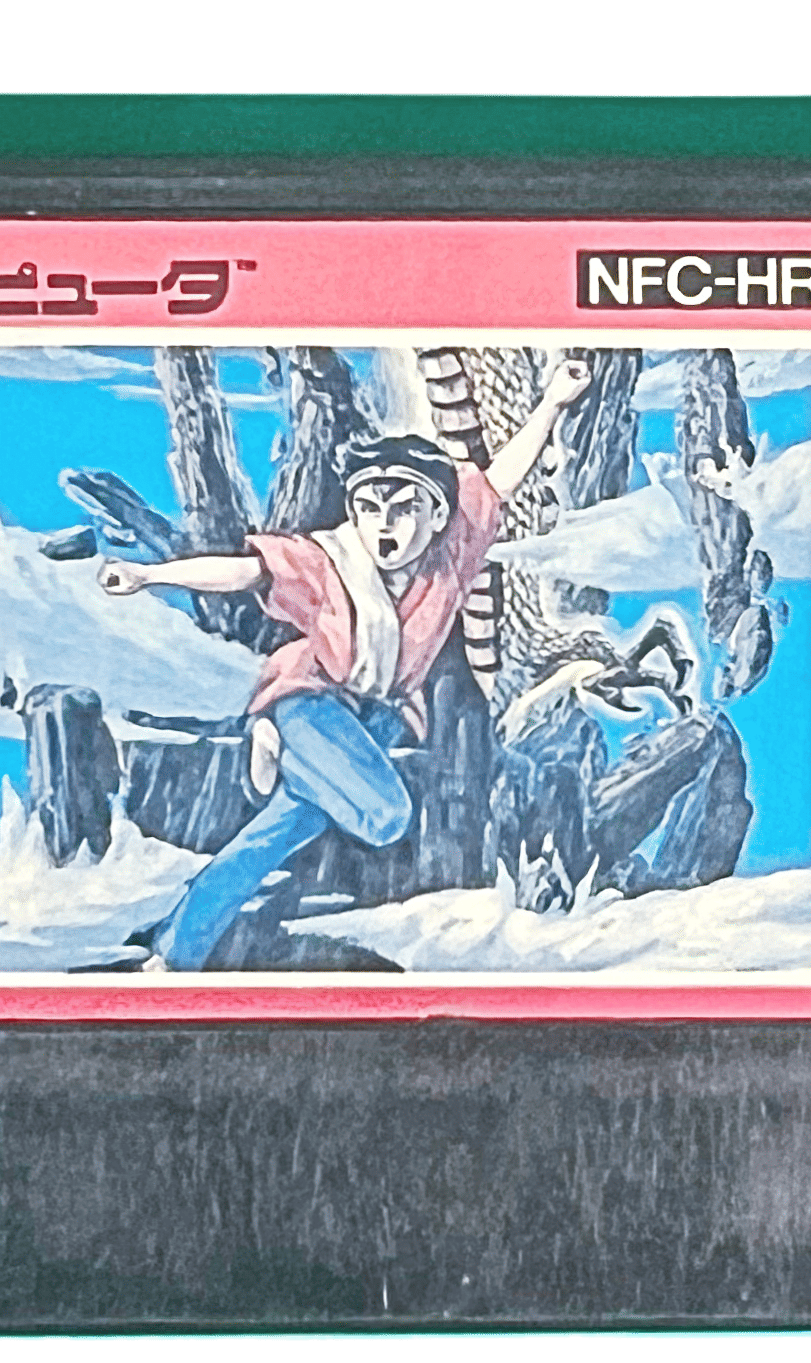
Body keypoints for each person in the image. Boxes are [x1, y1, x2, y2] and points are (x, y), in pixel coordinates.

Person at [98, 355, 593, 968]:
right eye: (369, 509)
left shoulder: (452, 551)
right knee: (385, 817)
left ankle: (174, 950)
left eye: (402, 509)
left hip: (379, 718)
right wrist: (149, 576)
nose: (384, 526)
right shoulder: (328, 561)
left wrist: (553, 402)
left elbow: (502, 480)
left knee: (273, 833)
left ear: (437, 515)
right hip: (311, 702)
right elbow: (244, 571)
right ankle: (279, 735)